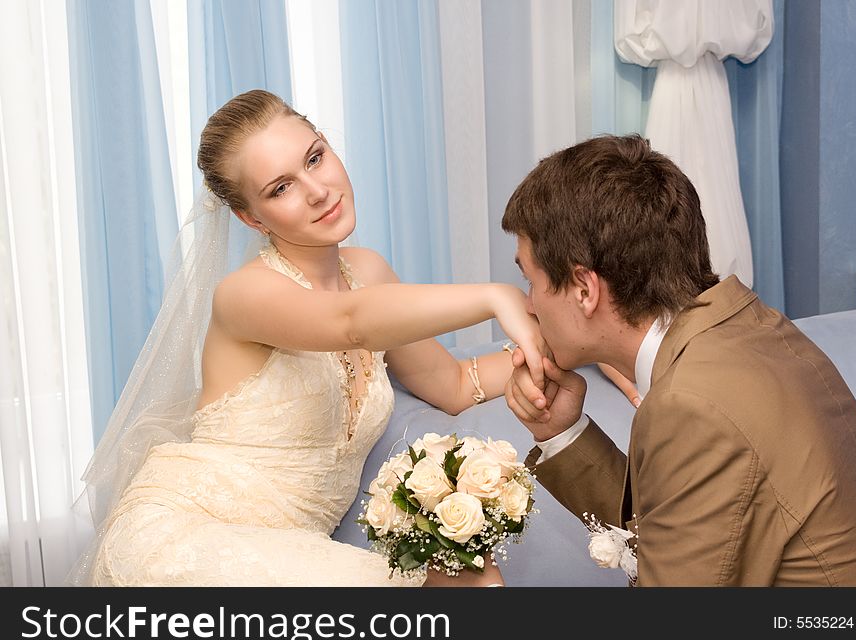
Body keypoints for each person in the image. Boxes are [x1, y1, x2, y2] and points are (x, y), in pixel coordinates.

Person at [70, 89, 546, 587]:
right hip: (181, 536)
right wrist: (496, 296)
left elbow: (451, 383)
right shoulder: (244, 295)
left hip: (293, 550)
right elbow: (349, 322)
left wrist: (573, 345)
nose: (318, 190)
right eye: (280, 188)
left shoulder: (369, 273)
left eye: (315, 158)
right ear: (251, 218)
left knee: (473, 580)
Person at [503, 134, 856, 586]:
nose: (529, 306)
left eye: (530, 280)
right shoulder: (751, 328)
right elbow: (679, 532)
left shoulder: (690, 404)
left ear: (585, 289)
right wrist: (560, 431)